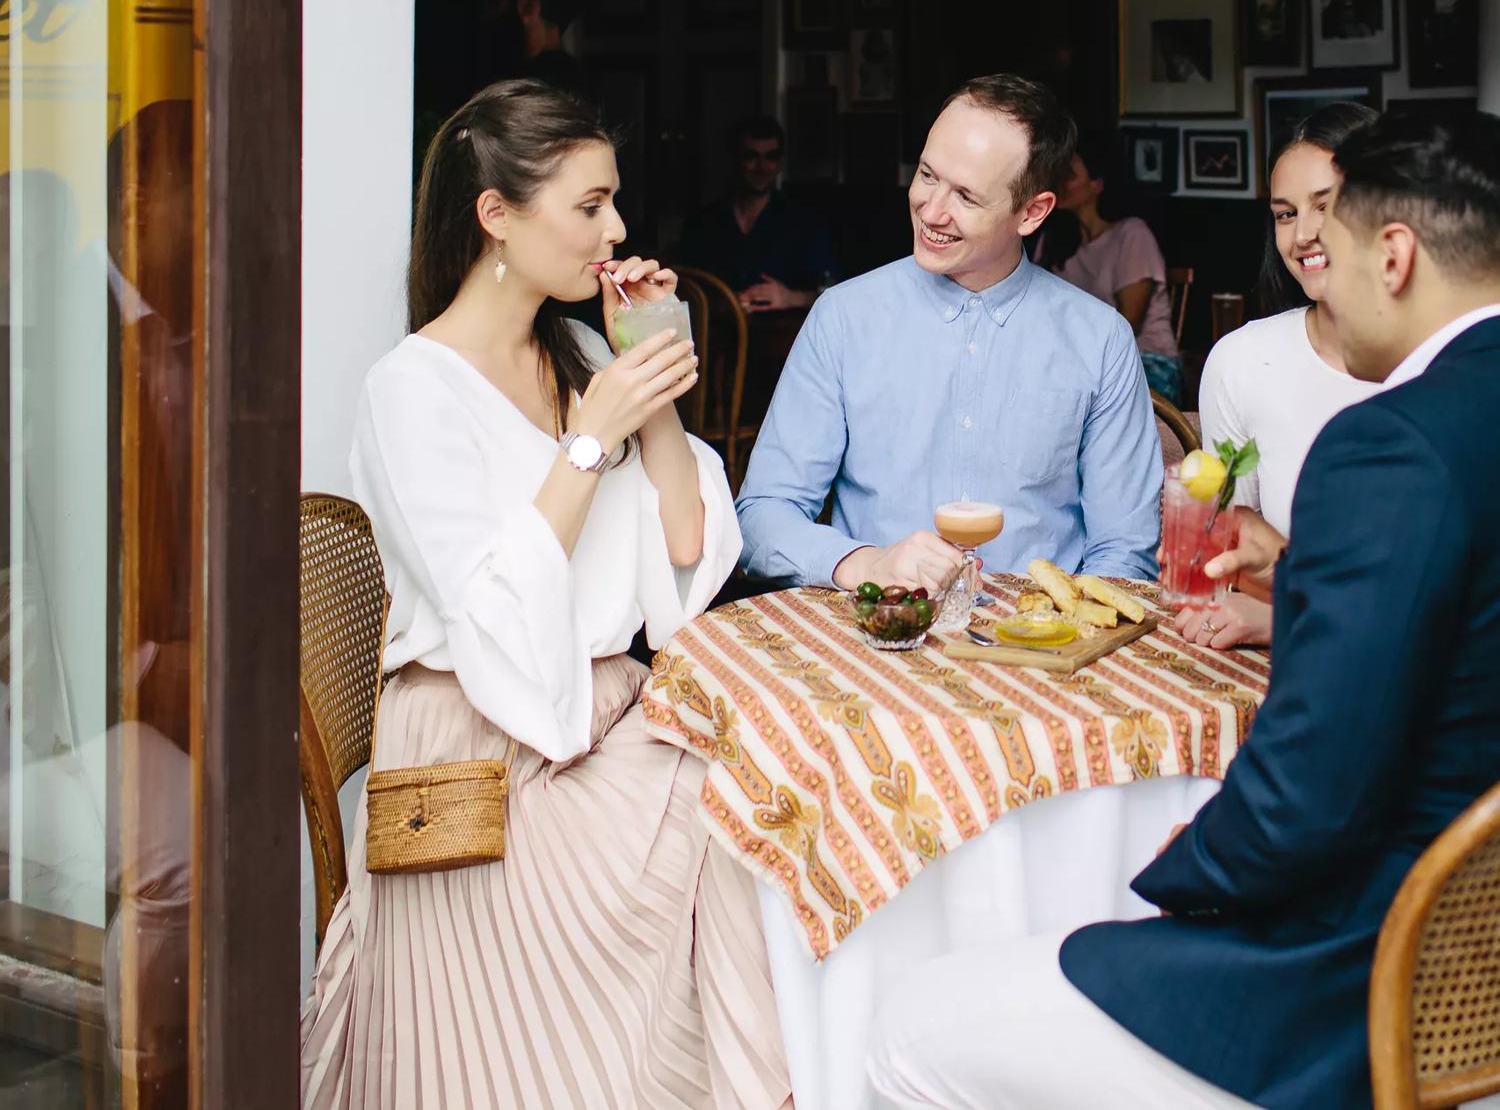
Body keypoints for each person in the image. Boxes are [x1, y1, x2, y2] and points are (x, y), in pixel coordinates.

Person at [867, 103, 1500, 1110]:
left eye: (1327, 248)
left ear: (1393, 255)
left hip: (1368, 980)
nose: (1315, 274)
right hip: (1482, 970)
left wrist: (1172, 878)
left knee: (907, 1025)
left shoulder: (1391, 444)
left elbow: (1309, 797)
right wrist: (1300, 580)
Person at [301, 80, 790, 1110]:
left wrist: (647, 378)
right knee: (734, 816)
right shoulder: (410, 390)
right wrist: (591, 434)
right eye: (589, 205)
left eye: (613, 202)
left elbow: (689, 553)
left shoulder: (571, 353)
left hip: (604, 720)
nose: (616, 229)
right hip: (485, 742)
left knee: (768, 791)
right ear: (496, 218)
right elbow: (495, 619)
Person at [736, 74, 1161, 593]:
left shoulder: (1100, 341)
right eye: (927, 175)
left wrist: (1051, 636)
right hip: (875, 630)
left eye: (966, 196)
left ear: (1032, 212)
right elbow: (762, 517)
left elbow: (1125, 546)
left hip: (1044, 650)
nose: (932, 211)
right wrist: (867, 564)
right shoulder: (845, 317)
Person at [1180, 102, 1381, 650]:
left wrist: (1282, 620)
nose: (1304, 235)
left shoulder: (1446, 360)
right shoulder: (1244, 361)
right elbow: (1230, 554)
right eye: (1286, 214)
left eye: (1327, 205)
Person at [1044, 136, 1182, 402]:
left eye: (1069, 174)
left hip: (1142, 359)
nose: (1059, 182)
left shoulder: (1131, 234)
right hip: (1072, 361)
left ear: (1097, 184)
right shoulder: (1053, 242)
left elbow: (1128, 323)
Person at [678, 114, 839, 315]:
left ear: (780, 162)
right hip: (713, 338)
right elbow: (682, 291)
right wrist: (725, 303)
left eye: (770, 157)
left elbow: (833, 293)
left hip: (783, 340)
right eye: (750, 156)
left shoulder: (806, 223)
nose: (761, 167)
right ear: (735, 158)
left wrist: (791, 297)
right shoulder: (702, 223)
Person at [493, 0, 588, 95]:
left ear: (529, 6)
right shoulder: (576, 86)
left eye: (497, 0)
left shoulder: (525, 89)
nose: (487, 12)